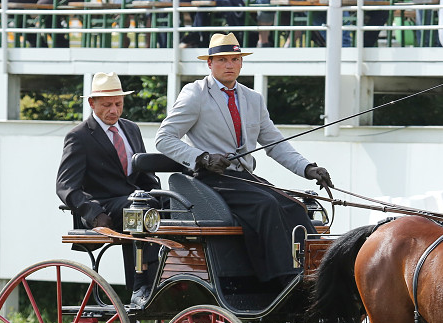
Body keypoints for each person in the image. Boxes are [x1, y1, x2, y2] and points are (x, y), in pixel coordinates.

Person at [155, 33, 333, 286]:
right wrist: (202, 157)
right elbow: (164, 138)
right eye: (223, 59)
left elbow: (275, 144)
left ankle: (318, 272)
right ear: (210, 63)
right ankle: (282, 279)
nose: (229, 65)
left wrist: (307, 168)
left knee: (295, 207)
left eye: (235, 59)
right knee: (266, 205)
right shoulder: (195, 94)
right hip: (211, 179)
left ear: (241, 63)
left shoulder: (253, 99)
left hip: (244, 178)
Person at [56, 72, 162, 306]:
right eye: (107, 105)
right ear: (91, 103)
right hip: (104, 207)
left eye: (118, 104)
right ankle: (140, 284)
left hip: (136, 201)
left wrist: (159, 195)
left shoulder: (131, 129)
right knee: (140, 211)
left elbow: (143, 174)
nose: (113, 110)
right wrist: (94, 214)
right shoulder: (79, 136)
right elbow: (65, 185)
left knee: (174, 206)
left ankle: (170, 278)